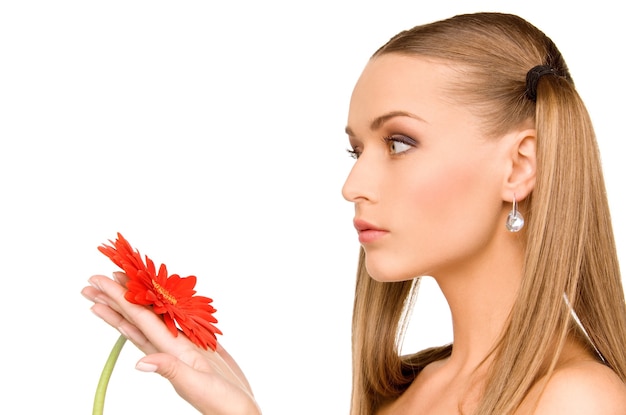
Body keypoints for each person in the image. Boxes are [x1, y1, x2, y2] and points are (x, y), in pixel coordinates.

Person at [81, 11, 626, 414]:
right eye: (356, 150)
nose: (353, 185)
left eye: (401, 142)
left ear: (519, 167)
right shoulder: (404, 393)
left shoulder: (578, 401)